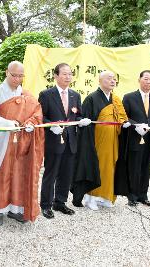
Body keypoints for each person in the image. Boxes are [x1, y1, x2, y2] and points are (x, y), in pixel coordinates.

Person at [0, 61, 44, 226]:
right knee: (1, 175)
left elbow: (37, 113)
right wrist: (7, 123)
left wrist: (31, 123)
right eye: (14, 75)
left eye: (20, 76)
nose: (17, 79)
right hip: (1, 140)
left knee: (19, 175)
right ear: (6, 73)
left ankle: (15, 209)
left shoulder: (27, 95)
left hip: (22, 142)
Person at [38, 63, 90, 219]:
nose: (68, 77)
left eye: (70, 74)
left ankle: (60, 202)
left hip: (70, 141)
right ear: (56, 75)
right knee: (51, 173)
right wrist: (51, 126)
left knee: (66, 174)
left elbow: (77, 115)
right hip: (54, 140)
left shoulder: (75, 95)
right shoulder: (46, 94)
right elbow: (41, 117)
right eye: (64, 74)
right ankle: (46, 205)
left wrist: (82, 120)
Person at [71, 71, 128, 210]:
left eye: (114, 79)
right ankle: (91, 197)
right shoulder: (91, 98)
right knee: (96, 167)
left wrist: (124, 122)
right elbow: (85, 120)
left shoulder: (116, 99)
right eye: (109, 78)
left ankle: (105, 196)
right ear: (100, 81)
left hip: (113, 140)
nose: (113, 81)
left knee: (110, 167)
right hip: (97, 140)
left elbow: (122, 117)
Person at [114, 70, 150, 207]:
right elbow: (124, 117)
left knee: (145, 168)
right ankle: (132, 196)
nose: (149, 82)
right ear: (139, 80)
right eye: (146, 79)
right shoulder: (129, 97)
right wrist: (135, 125)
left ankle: (143, 196)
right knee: (134, 168)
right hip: (135, 138)